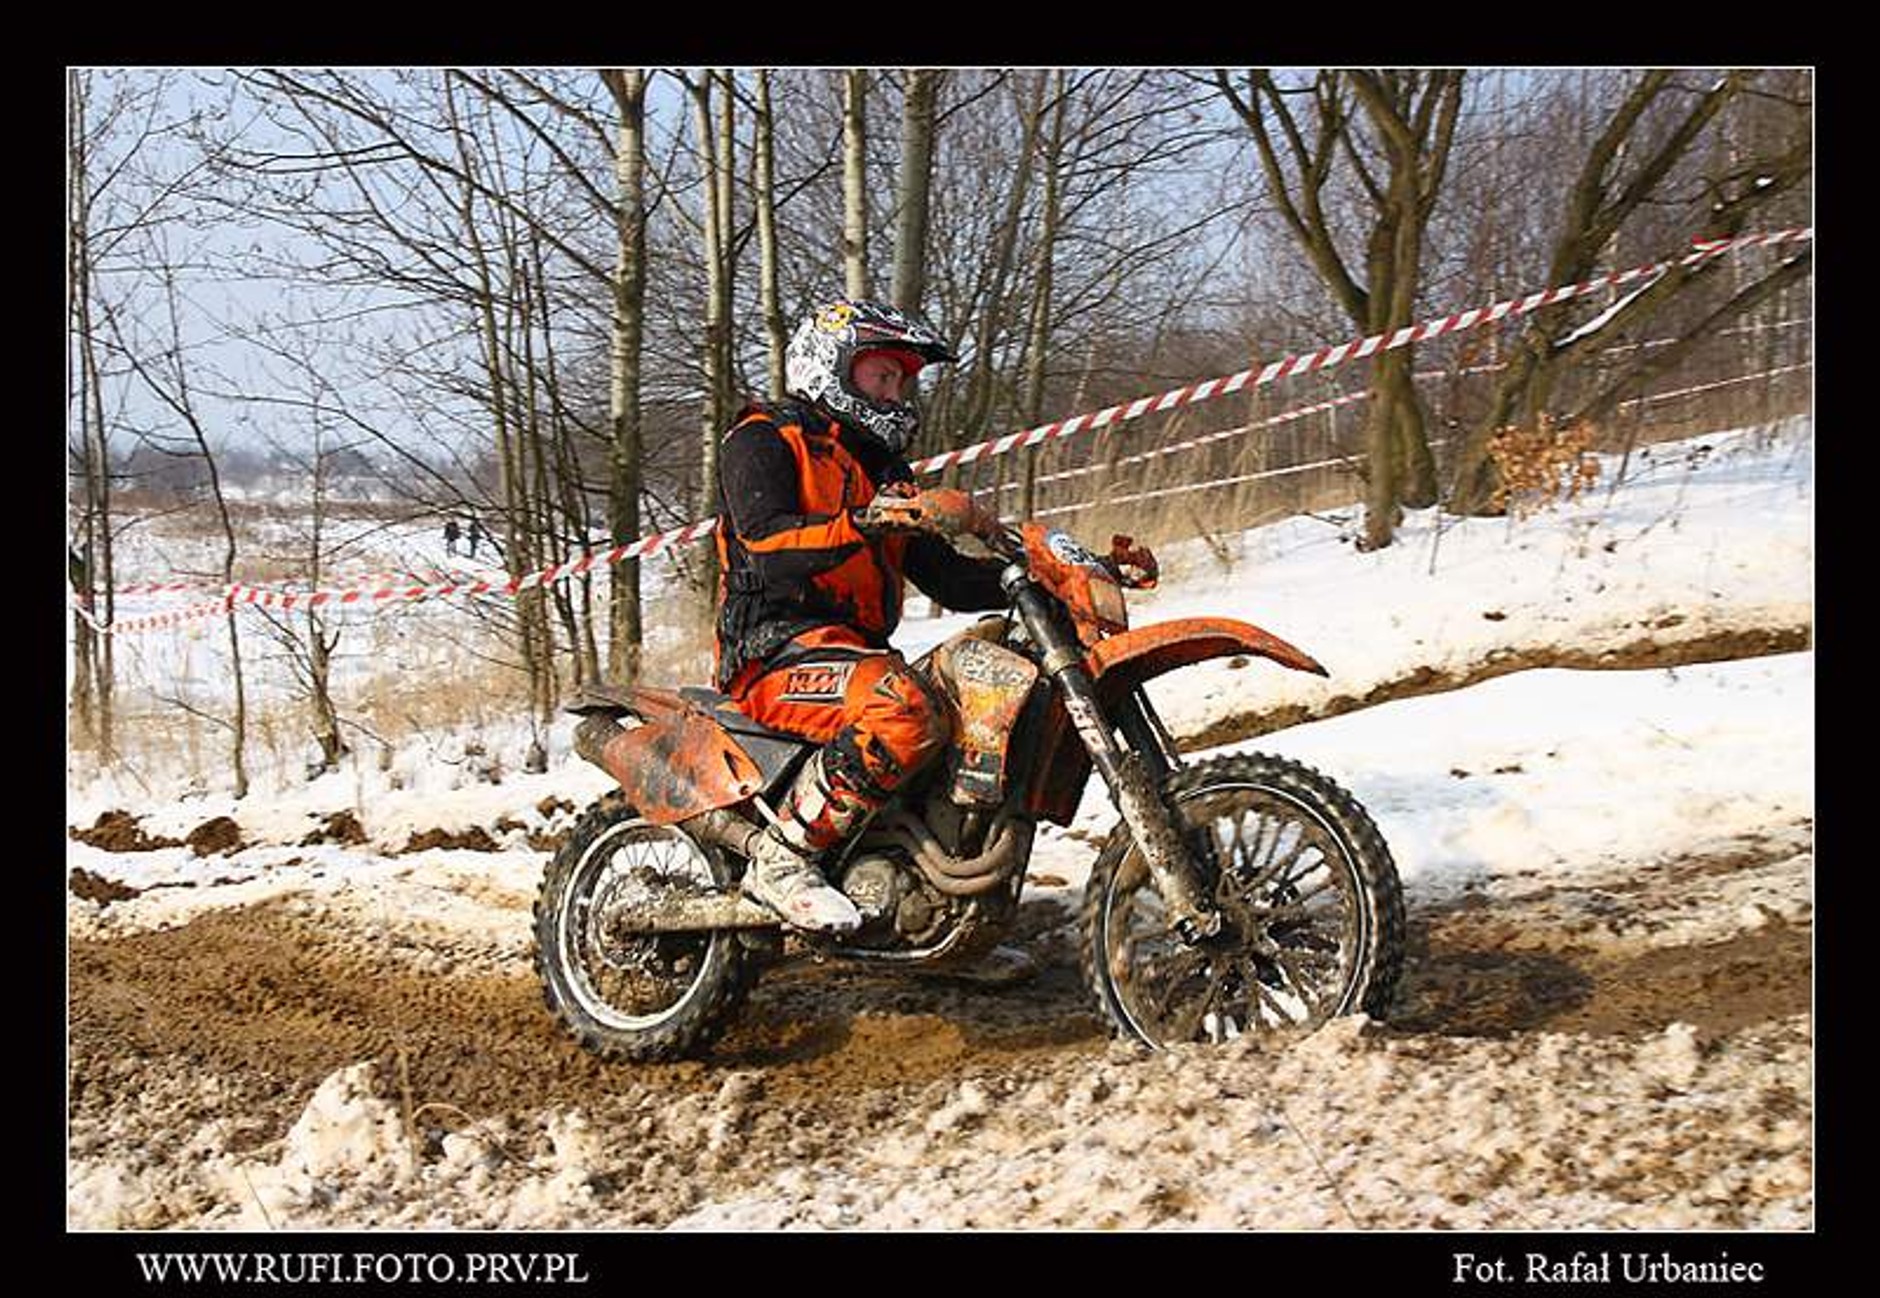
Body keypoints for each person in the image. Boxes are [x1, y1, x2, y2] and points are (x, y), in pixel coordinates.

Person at [714, 298, 1015, 943]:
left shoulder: (886, 473)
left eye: (904, 380)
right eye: (883, 376)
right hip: (774, 651)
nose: (898, 392)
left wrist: (1031, 577)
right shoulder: (763, 437)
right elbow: (766, 543)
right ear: (834, 368)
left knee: (970, 707)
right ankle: (782, 860)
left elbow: (948, 577)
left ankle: (946, 916)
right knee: (902, 709)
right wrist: (869, 520)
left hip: (853, 652)